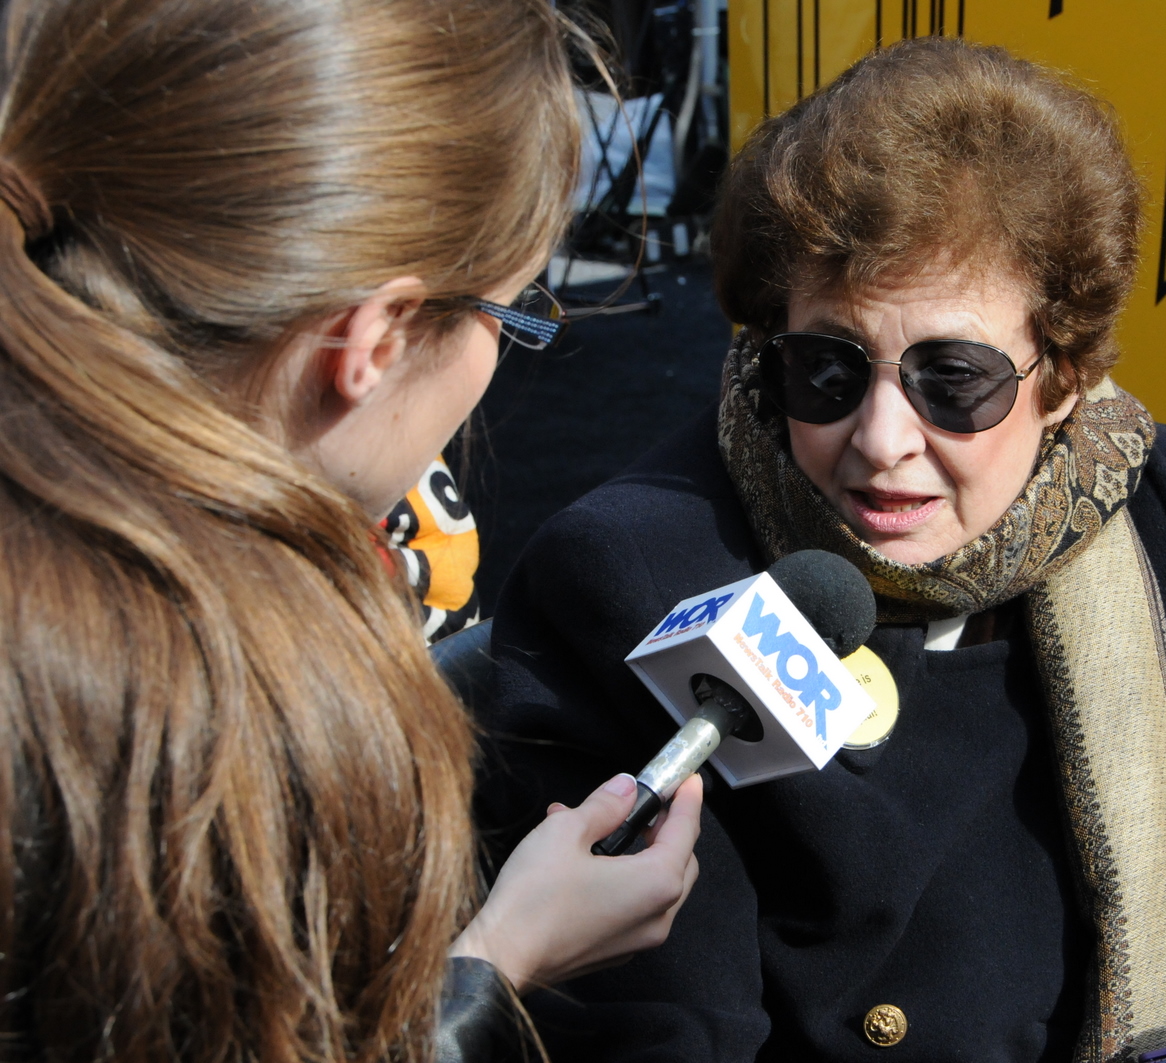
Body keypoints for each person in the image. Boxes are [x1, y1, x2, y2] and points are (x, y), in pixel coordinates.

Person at [479, 36, 1166, 1062]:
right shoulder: (637, 579)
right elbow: (661, 1021)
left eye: (951, 378)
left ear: (1067, 374)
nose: (877, 439)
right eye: (826, 368)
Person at [0, 2, 701, 1061]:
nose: (497, 360)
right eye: (512, 312)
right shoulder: (211, 708)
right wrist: (494, 967)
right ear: (369, 341)